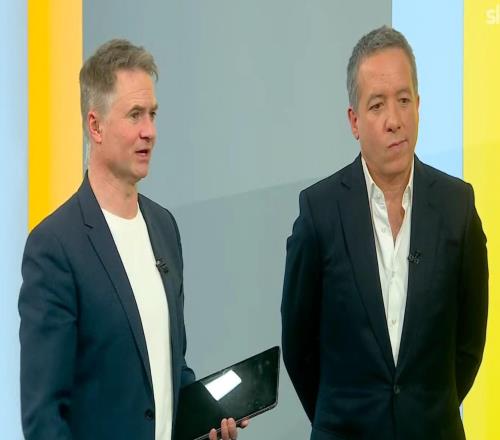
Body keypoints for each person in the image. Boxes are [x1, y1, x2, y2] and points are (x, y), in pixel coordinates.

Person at [19, 39, 246, 440]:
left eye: (153, 114)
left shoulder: (164, 227)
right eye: (135, 115)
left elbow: (170, 370)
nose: (150, 132)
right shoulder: (54, 246)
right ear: (95, 126)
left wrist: (210, 419)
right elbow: (44, 416)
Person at [281, 26, 488, 440]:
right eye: (377, 105)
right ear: (354, 121)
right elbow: (299, 344)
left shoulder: (457, 206)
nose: (395, 120)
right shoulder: (320, 212)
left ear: (419, 105)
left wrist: (424, 411)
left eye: (404, 100)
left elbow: (469, 343)